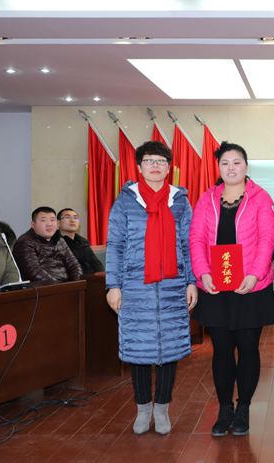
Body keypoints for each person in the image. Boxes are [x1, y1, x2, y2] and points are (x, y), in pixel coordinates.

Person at [190, 142, 274, 437]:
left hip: (250, 286)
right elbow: (196, 238)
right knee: (221, 350)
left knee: (247, 348)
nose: (231, 168)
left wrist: (255, 274)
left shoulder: (260, 197)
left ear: (246, 166)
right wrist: (203, 272)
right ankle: (224, 409)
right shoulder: (206, 199)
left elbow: (268, 239)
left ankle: (243, 408)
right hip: (216, 286)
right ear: (218, 167)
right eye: (225, 163)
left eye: (237, 162)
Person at [105, 140, 198, 435]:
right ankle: (143, 409)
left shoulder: (180, 201)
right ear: (139, 166)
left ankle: (163, 408)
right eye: (149, 161)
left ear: (169, 167)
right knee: (139, 349)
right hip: (135, 286)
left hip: (173, 284)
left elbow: (188, 244)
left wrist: (192, 281)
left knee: (170, 349)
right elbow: (115, 245)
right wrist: (113, 286)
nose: (155, 166)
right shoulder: (125, 201)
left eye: (160, 161)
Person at [12, 207, 82, 283]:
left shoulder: (59, 240)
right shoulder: (25, 242)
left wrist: (78, 283)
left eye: (52, 220)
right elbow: (34, 272)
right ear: (33, 224)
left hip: (66, 286)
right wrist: (60, 286)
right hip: (43, 287)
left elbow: (74, 265)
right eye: (43, 220)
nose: (49, 224)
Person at [57, 208, 104, 274]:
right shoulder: (55, 242)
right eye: (67, 217)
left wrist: (101, 277)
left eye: (75, 218)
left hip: (89, 278)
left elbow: (95, 263)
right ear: (58, 223)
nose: (72, 220)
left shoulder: (83, 242)